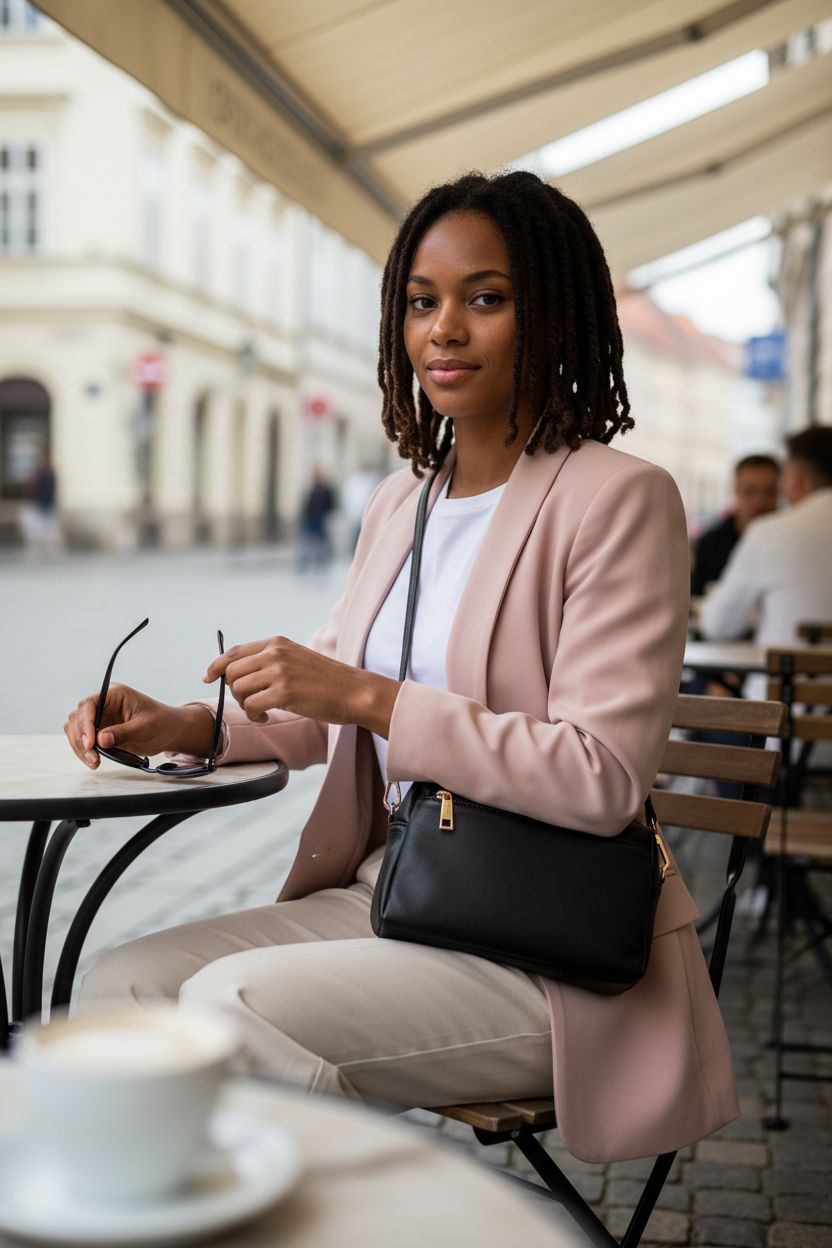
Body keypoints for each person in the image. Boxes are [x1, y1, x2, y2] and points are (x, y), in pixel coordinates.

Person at [64, 171, 736, 1164]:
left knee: (233, 1009)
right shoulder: (400, 504)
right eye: (422, 302)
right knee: (119, 987)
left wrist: (375, 699)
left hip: (544, 945)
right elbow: (324, 714)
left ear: (550, 312)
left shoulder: (617, 499)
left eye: (486, 298)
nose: (444, 330)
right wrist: (184, 727)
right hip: (396, 892)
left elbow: (600, 779)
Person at [700, 427, 832, 701]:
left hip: (786, 726)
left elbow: (716, 626)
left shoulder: (769, 532)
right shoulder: (718, 539)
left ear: (795, 479)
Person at [690, 454, 780, 598]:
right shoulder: (710, 544)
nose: (760, 502)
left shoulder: (792, 541)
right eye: (750, 492)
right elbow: (696, 598)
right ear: (735, 490)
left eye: (769, 492)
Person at [295, 466, 336, 571]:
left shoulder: (326, 490)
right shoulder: (311, 488)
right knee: (306, 541)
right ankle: (304, 562)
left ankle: (322, 560)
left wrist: (328, 515)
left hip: (321, 518)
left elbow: (330, 504)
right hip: (311, 517)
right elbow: (306, 504)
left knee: (322, 541)